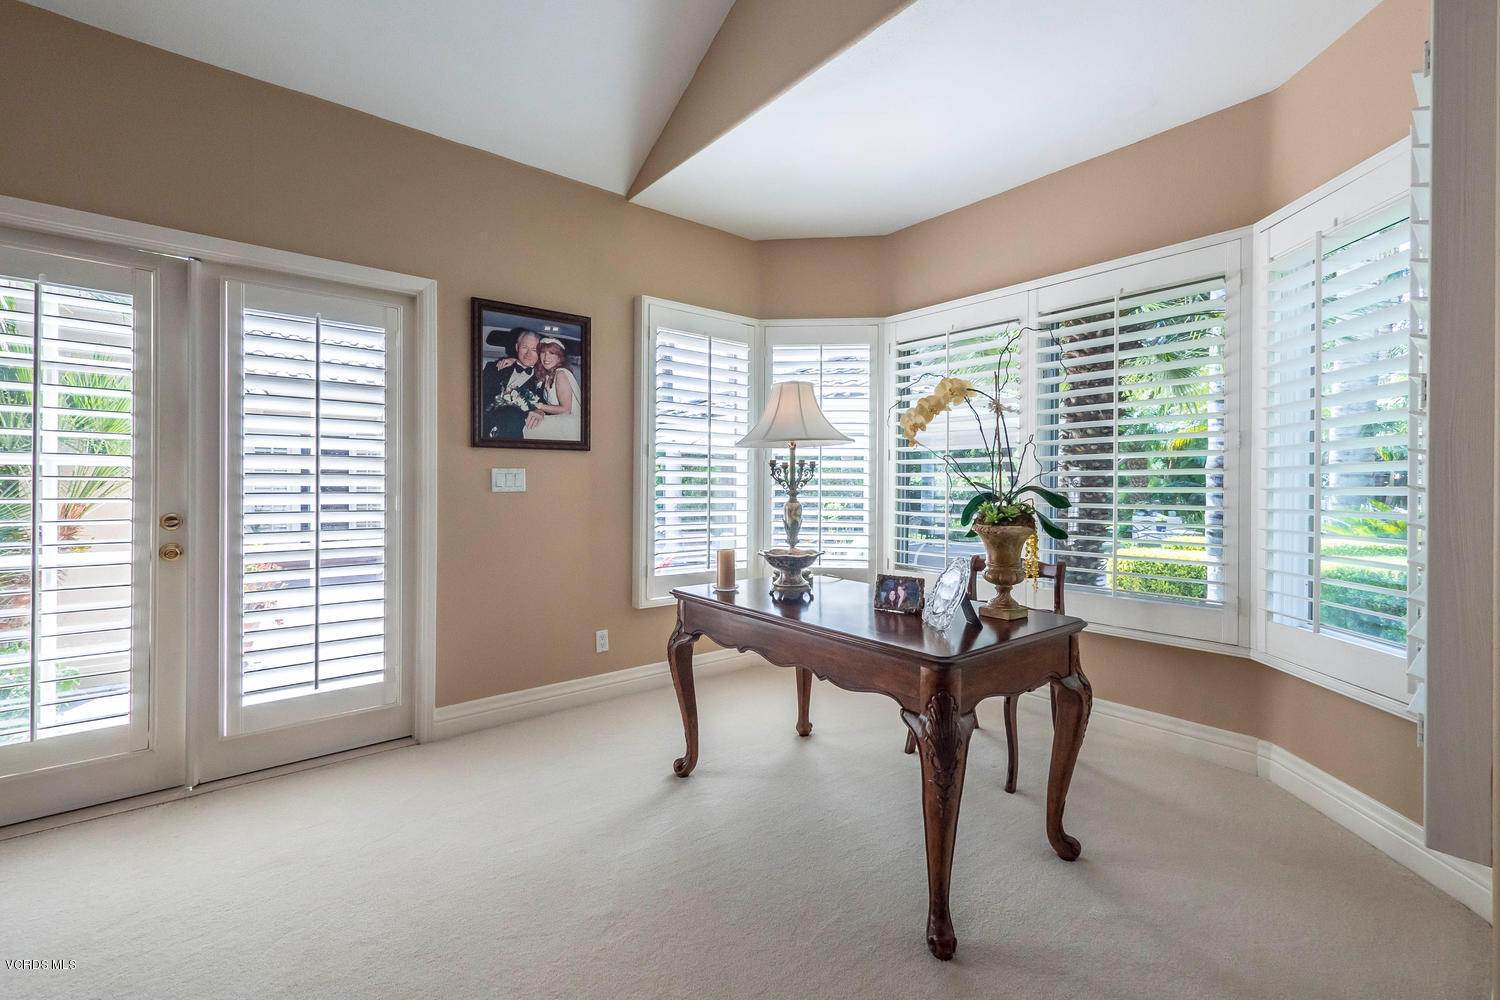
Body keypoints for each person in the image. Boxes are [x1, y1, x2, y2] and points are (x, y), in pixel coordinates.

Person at [481, 330, 543, 439]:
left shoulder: (543, 379)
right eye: (524, 347)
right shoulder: (495, 367)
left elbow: (547, 403)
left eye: (534, 350)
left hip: (511, 426)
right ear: (517, 347)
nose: (528, 354)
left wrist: (541, 411)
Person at [523, 336, 582, 441]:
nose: (546, 357)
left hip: (571, 424)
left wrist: (539, 406)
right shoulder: (547, 375)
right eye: (543, 352)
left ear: (559, 357)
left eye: (552, 353)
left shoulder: (561, 373)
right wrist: (513, 360)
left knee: (527, 427)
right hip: (562, 420)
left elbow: (566, 409)